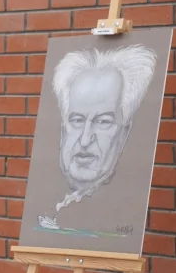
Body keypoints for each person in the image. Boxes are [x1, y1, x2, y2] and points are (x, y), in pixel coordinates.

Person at [38, 44, 157, 229]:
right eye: (77, 120)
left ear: (124, 134)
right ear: (63, 130)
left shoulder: (125, 209)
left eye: (103, 121)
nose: (85, 140)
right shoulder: (44, 197)